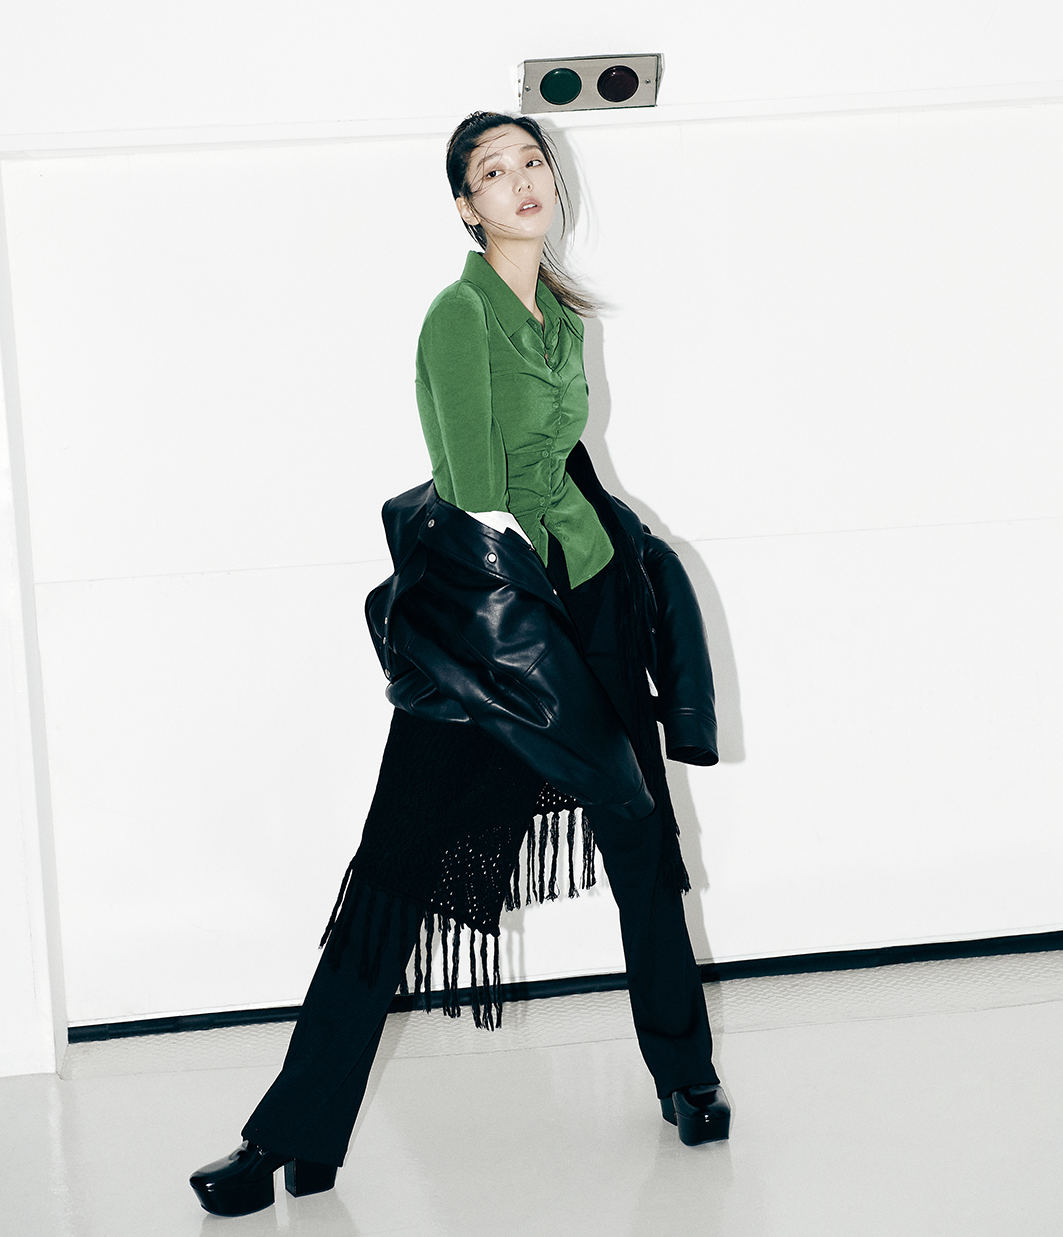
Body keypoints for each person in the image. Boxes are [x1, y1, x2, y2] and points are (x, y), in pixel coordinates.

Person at [189, 111, 728, 1219]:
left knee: (640, 844)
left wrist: (622, 547)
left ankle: (686, 1074)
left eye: (532, 161)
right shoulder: (458, 313)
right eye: (494, 171)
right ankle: (284, 1137)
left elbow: (562, 462)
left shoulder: (561, 317)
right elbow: (480, 496)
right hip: (494, 635)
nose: (522, 180)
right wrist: (532, 633)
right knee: (390, 878)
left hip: (587, 604)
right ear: (465, 207)